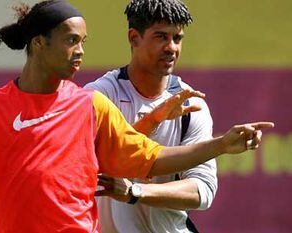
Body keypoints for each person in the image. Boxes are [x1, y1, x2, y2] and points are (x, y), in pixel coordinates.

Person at [0, 1, 273, 233]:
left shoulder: (89, 105)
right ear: (39, 44)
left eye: (83, 42)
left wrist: (221, 144)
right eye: (72, 41)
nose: (80, 51)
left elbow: (151, 158)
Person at [83, 0, 223, 232]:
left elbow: (203, 190)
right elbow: (87, 167)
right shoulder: (99, 96)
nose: (171, 47)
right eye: (161, 37)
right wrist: (153, 120)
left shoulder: (192, 105)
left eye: (177, 38)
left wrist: (136, 192)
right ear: (134, 38)